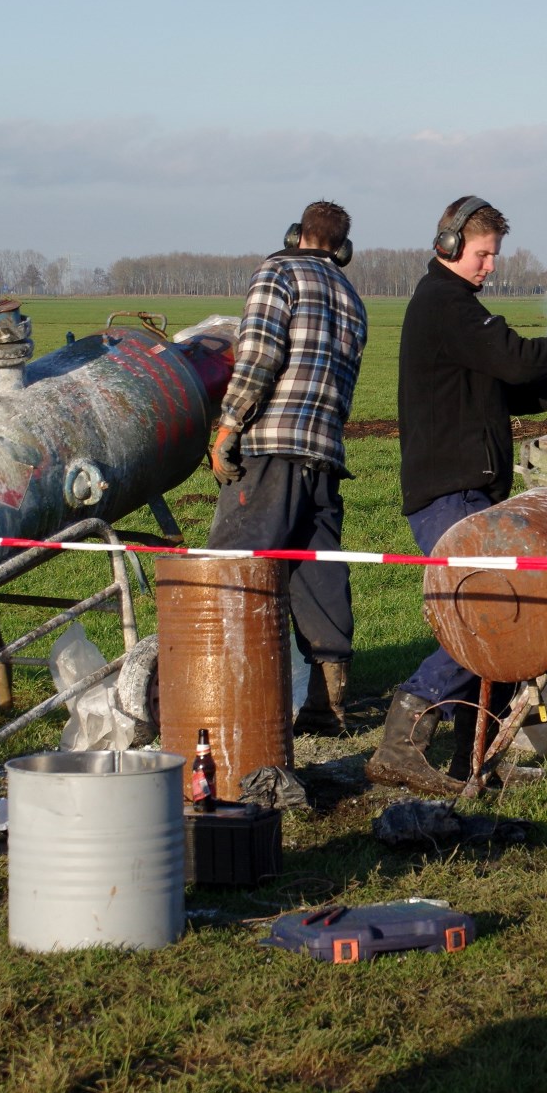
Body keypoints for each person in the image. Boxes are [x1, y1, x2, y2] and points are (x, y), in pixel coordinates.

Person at [365, 195, 547, 794]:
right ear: (451, 245)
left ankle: (476, 758)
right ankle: (403, 739)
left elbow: (508, 393)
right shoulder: (445, 306)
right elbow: (515, 360)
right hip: (448, 494)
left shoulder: (457, 311)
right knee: (489, 624)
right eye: (483, 255)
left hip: (469, 491)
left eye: (493, 257)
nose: (489, 267)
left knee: (508, 618)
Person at [206, 200, 368, 736]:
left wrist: (228, 427)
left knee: (235, 570)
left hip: (272, 449)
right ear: (341, 249)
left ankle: (228, 697)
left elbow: (259, 355)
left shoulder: (279, 270)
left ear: (297, 234)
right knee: (317, 572)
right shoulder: (352, 298)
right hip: (324, 457)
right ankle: (328, 705)